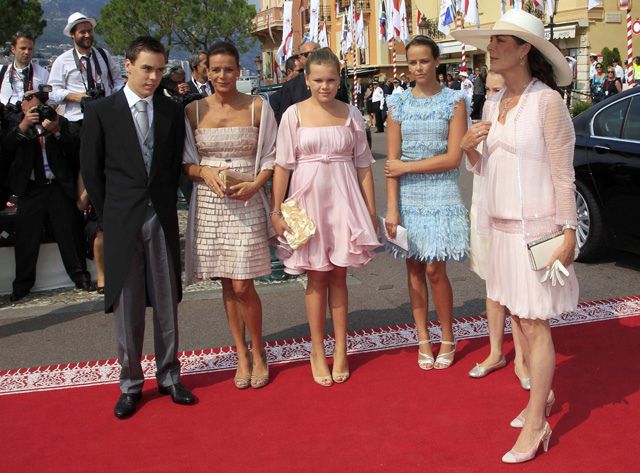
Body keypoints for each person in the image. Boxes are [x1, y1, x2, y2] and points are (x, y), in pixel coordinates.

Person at [454, 9, 579, 463]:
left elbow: (564, 176)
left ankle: (536, 422)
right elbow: (488, 169)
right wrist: (470, 151)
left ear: (525, 49)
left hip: (536, 230)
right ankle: (540, 401)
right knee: (519, 321)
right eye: (491, 40)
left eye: (501, 40)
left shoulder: (548, 103)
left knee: (532, 322)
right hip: (501, 229)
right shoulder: (491, 102)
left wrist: (569, 232)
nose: (491, 46)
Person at [80, 36, 195, 419]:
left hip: (161, 217)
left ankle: (169, 376)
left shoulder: (171, 111)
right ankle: (130, 384)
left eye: (160, 69)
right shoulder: (101, 111)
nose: (153, 76)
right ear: (127, 65)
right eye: (147, 68)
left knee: (166, 301)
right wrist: (110, 213)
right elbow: (92, 171)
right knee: (127, 304)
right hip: (121, 219)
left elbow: (176, 164)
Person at [271, 48, 379, 387]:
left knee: (339, 277)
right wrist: (276, 210)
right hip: (307, 199)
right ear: (306, 80)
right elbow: (282, 165)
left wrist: (371, 211)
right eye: (317, 80)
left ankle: (342, 347)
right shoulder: (293, 114)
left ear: (339, 79)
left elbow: (363, 167)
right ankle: (318, 349)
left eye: (331, 79)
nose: (324, 86)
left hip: (344, 199)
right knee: (316, 277)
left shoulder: (352, 114)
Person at [182, 41, 275, 390]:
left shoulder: (257, 107)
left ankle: (260, 350)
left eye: (229, 69)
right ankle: (241, 352)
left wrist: (255, 185)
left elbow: (271, 156)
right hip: (209, 202)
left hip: (247, 200)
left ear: (239, 71)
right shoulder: (192, 111)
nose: (222, 75)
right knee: (226, 282)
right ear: (206, 72)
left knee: (243, 283)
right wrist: (202, 173)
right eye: (215, 69)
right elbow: (186, 162)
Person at [383, 36, 469, 372]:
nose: (418, 67)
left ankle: (447, 336)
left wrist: (408, 166)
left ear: (436, 61)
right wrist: (392, 209)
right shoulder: (398, 104)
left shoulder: (455, 102)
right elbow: (390, 163)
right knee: (414, 268)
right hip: (406, 196)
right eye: (413, 62)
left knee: (435, 269)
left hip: (441, 192)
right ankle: (422, 338)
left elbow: (452, 158)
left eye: (424, 61)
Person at [467, 70, 530, 390]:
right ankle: (495, 352)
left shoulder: (521, 121)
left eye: (498, 90)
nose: (492, 96)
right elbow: (477, 166)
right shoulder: (482, 121)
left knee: (516, 289)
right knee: (493, 286)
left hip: (514, 213)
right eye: (488, 90)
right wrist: (466, 146)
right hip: (484, 209)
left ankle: (521, 357)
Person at [1, 88, 92, 301]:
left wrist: (57, 131)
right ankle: (22, 284)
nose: (36, 105)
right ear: (22, 104)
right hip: (30, 187)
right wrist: (24, 126)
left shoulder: (59, 121)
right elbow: (7, 149)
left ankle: (79, 275)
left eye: (40, 100)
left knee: (68, 231)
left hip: (57, 186)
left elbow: (76, 148)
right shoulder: (16, 123)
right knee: (26, 237)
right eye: (30, 99)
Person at [49, 12, 123, 125]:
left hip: (106, 117)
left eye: (89, 31)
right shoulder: (62, 60)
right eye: (82, 32)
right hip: (77, 120)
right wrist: (77, 97)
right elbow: (53, 92)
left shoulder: (103, 55)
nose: (87, 35)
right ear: (72, 34)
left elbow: (118, 80)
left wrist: (113, 98)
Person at [274, 41, 320, 123]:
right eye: (307, 54)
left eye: (317, 53)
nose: (313, 57)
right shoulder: (291, 87)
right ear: (300, 58)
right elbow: (285, 121)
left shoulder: (336, 83)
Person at [0, 33, 49, 106]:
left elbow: (50, 99)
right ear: (13, 49)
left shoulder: (43, 73)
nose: (27, 52)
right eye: (23, 48)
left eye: (30, 49)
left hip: (32, 115)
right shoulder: (2, 71)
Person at [77, 174, 104, 293]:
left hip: (120, 208)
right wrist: (91, 186)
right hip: (98, 213)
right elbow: (81, 205)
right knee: (100, 233)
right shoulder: (85, 171)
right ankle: (102, 276)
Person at [269, 54, 304, 121]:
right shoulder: (275, 98)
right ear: (289, 72)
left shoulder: (307, 93)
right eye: (300, 71)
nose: (303, 74)